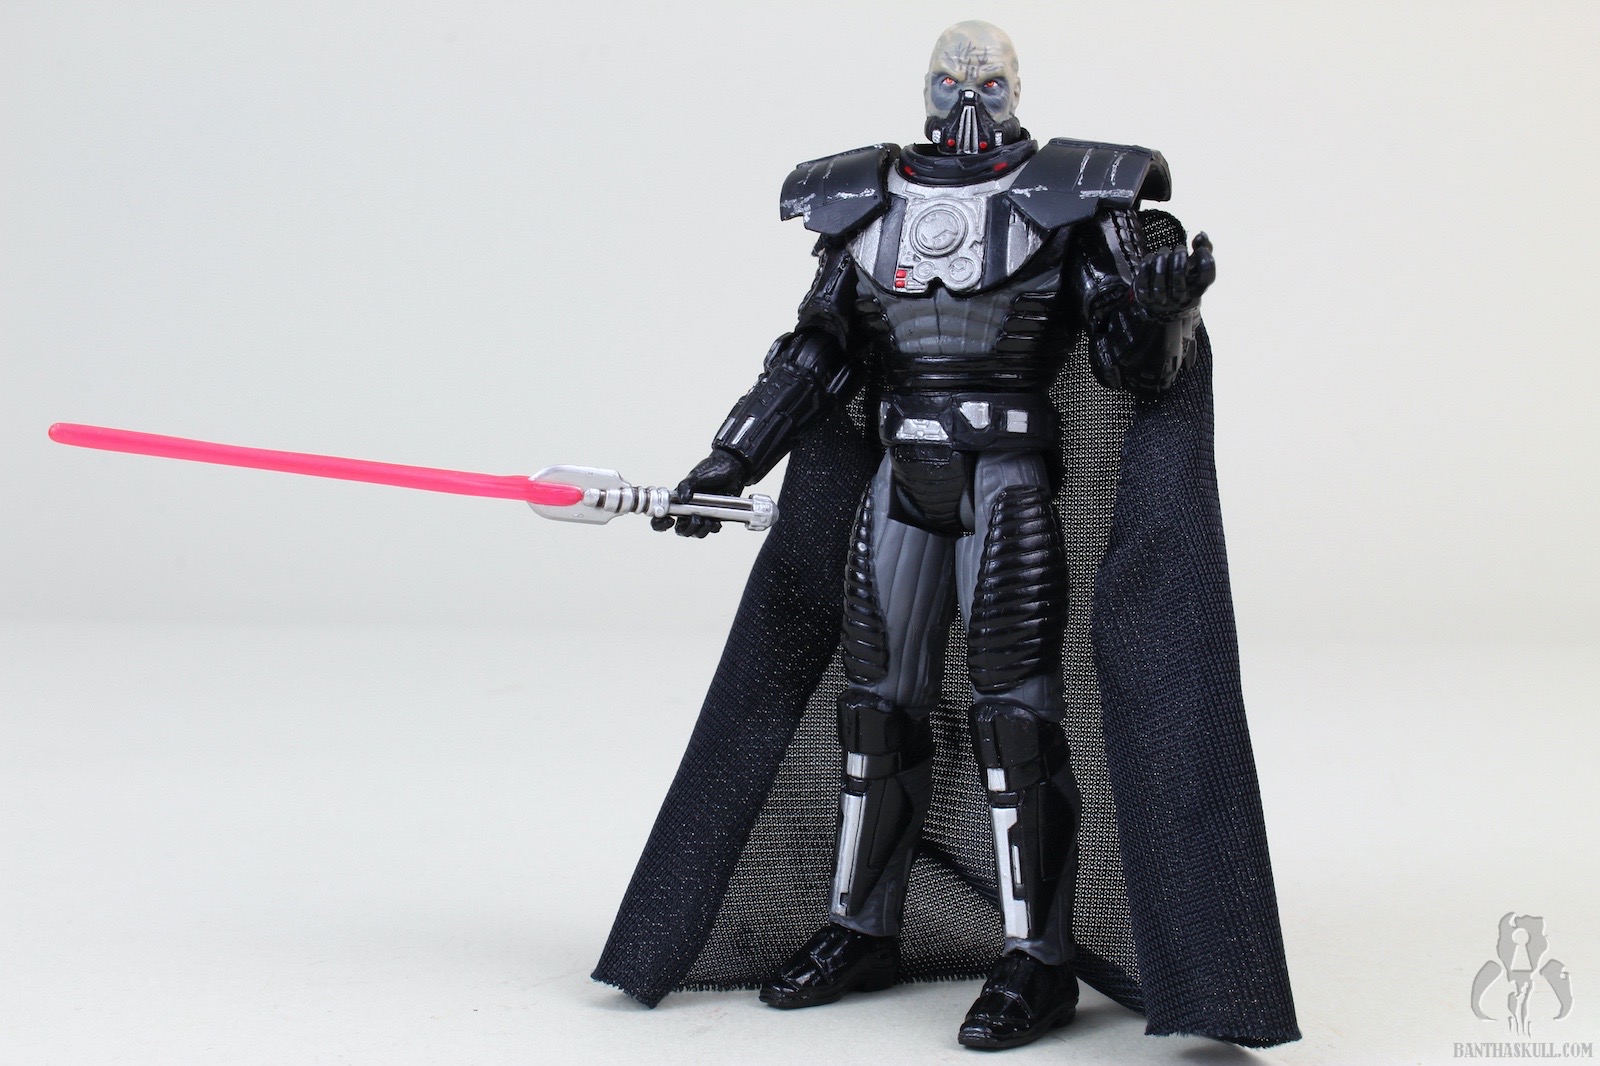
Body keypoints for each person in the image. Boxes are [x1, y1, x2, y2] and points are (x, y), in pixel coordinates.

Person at [596, 21, 1298, 1053]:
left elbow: (1131, 369)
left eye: (988, 81)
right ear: (925, 86)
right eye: (948, 78)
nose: (967, 98)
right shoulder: (862, 199)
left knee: (1016, 717)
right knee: (874, 709)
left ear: (1015, 87)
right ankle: (861, 926)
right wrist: (729, 460)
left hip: (1006, 477)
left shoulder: (1074, 195)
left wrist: (1163, 316)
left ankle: (1037, 958)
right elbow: (815, 354)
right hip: (900, 475)